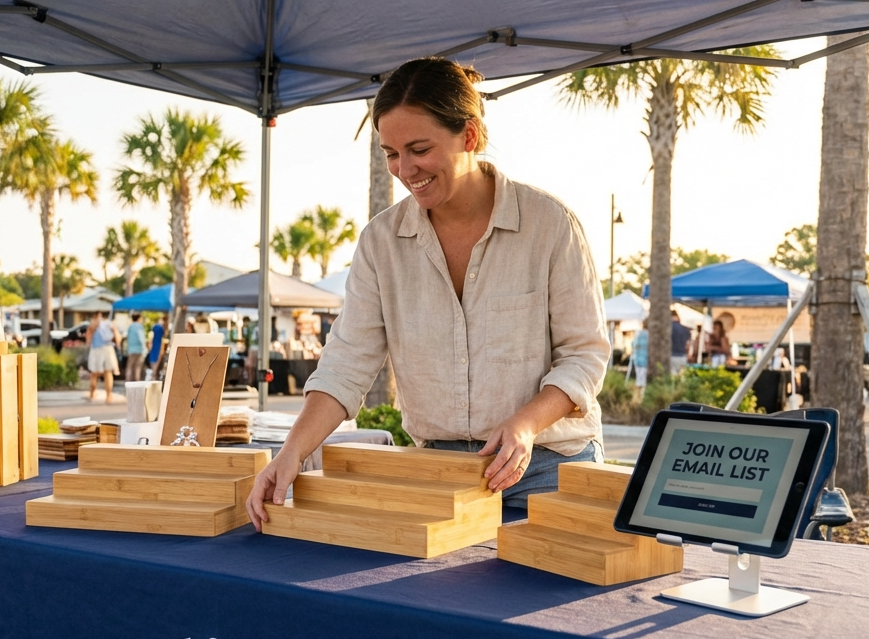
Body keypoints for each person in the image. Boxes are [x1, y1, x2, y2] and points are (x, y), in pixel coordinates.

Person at [245, 57, 608, 529]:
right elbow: (346, 364)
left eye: (419, 149)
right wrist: (291, 452)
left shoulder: (550, 225)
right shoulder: (380, 243)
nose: (404, 169)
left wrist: (525, 424)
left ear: (470, 137)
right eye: (391, 153)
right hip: (437, 472)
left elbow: (584, 355)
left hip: (550, 466)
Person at [85, 311, 122, 403]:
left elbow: (88, 338)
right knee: (108, 373)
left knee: (94, 374)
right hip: (108, 349)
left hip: (96, 350)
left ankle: (92, 394)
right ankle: (108, 396)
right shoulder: (109, 323)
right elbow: (118, 338)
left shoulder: (93, 324)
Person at [124, 311, 147, 382]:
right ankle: (137, 382)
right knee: (137, 367)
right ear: (139, 318)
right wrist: (145, 348)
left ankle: (127, 381)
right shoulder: (139, 326)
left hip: (131, 349)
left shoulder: (130, 327)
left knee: (130, 367)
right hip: (139, 350)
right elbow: (141, 339)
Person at [669, 310, 690, 376]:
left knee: (672, 379)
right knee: (682, 377)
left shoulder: (668, 328)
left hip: (671, 356)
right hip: (682, 356)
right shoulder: (686, 329)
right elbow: (687, 345)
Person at [147, 315, 166, 380]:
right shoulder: (161, 339)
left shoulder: (152, 337)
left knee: (153, 371)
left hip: (152, 354)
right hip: (157, 354)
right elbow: (161, 350)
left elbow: (149, 346)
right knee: (155, 372)